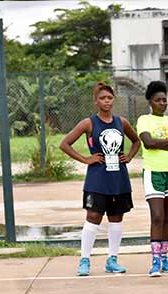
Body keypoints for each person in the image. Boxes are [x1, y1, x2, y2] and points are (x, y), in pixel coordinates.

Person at [60, 82, 140, 276]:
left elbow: (136, 141)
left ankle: (112, 260)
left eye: (110, 98)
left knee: (116, 218)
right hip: (97, 179)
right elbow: (65, 144)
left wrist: (128, 157)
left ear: (114, 100)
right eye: (103, 98)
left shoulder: (122, 122)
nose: (107, 101)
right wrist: (86, 159)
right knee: (93, 217)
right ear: (96, 101)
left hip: (118, 178)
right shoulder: (88, 123)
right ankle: (84, 260)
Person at [136, 81, 168, 277]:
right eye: (158, 100)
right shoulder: (144, 120)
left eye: (165, 100)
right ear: (150, 102)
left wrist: (161, 144)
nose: (162, 103)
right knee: (157, 216)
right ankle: (155, 261)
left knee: (167, 217)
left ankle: (165, 258)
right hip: (154, 172)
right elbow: (148, 143)